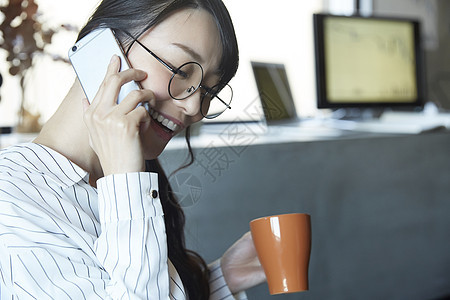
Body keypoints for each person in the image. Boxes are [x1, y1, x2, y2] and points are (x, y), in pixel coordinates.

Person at [0, 0, 266, 299]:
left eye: (208, 90)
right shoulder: (11, 204)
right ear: (99, 47)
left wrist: (218, 280)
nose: (193, 106)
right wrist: (126, 182)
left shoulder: (128, 174)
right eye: (181, 71)